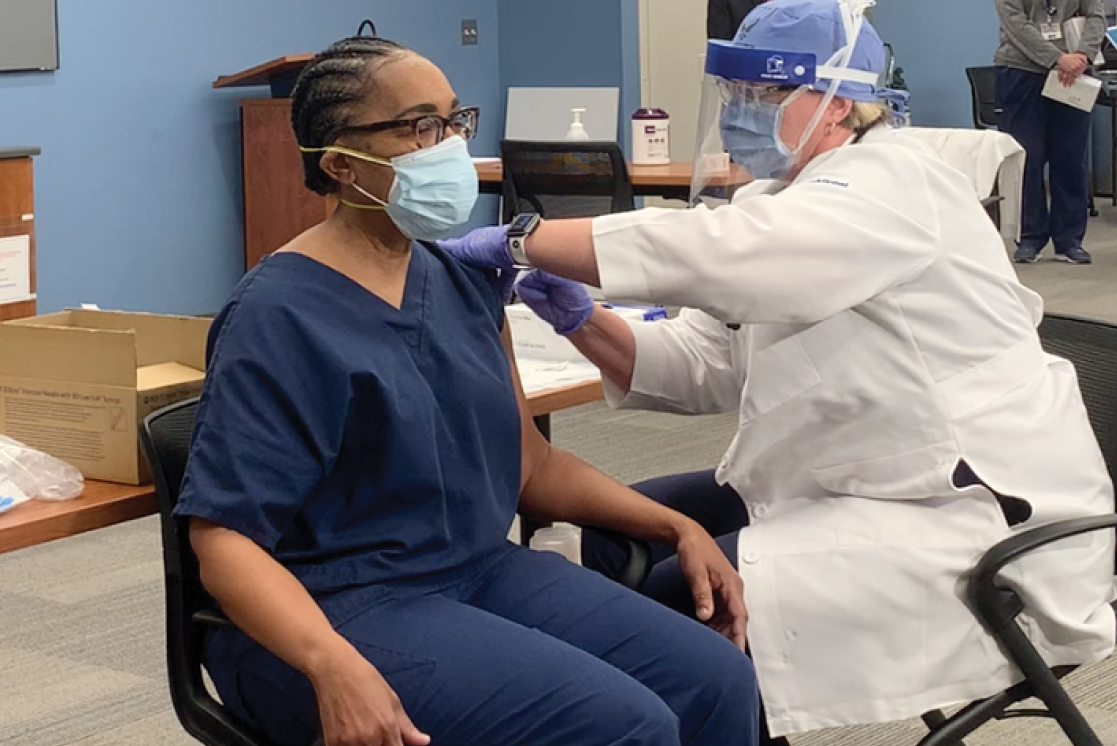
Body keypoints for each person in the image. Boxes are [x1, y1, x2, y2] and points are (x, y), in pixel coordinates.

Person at [439, 0, 1117, 739]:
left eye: (762, 94)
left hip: (966, 514)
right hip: (847, 477)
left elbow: (728, 253)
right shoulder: (779, 198)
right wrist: (583, 320)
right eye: (733, 94)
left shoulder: (894, 181)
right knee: (602, 531)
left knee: (677, 615)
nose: (740, 112)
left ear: (840, 103)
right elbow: (704, 365)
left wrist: (525, 241)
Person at [173, 35, 762, 746]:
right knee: (621, 727)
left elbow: (532, 468)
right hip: (331, 609)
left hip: (477, 571)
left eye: (455, 121)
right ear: (338, 164)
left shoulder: (458, 283)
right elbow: (223, 541)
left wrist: (676, 526)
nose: (449, 145)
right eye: (419, 126)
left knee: (716, 679)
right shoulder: (277, 316)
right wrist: (330, 664)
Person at [994, 0, 1105, 264]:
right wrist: (1057, 58)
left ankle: (1069, 241)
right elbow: (1016, 24)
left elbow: (1097, 17)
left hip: (1074, 72)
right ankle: (1030, 238)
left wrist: (1083, 56)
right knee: (1026, 159)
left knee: (1071, 157)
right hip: (1021, 71)